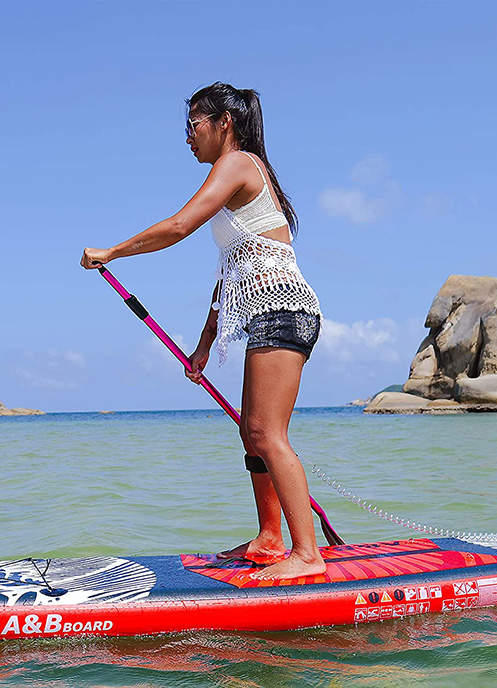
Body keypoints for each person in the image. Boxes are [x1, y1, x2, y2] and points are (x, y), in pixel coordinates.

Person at [81, 82, 325, 580]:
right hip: (267, 313)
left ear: (224, 124)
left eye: (193, 125)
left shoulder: (238, 163)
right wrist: (203, 347)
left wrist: (112, 252)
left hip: (287, 310)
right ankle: (271, 537)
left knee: (264, 432)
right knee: (250, 432)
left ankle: (307, 553)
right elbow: (230, 273)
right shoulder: (239, 174)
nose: (188, 137)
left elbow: (178, 226)